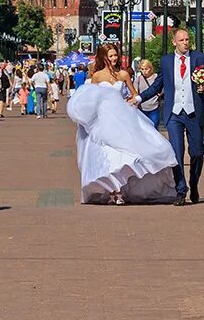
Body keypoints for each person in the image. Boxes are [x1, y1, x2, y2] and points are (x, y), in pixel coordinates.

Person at [68, 43, 177, 205]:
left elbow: (134, 94)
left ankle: (120, 189)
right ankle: (113, 191)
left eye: (115, 55)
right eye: (110, 56)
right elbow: (89, 99)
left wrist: (129, 102)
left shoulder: (123, 74)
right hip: (103, 121)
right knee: (109, 156)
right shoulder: (97, 76)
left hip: (122, 119)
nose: (113, 58)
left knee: (125, 154)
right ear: (103, 57)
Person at [137, 28, 204, 206]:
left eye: (187, 39)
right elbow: (158, 85)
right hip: (174, 114)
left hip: (194, 112)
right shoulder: (166, 61)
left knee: (197, 152)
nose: (185, 43)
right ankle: (181, 190)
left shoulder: (199, 58)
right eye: (181, 40)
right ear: (174, 42)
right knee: (176, 153)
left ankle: (194, 182)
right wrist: (138, 98)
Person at [134, 59, 161, 129]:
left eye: (146, 69)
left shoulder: (156, 77)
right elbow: (135, 92)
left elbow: (162, 88)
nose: (144, 71)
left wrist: (160, 94)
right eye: (142, 69)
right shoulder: (139, 79)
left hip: (154, 107)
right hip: (142, 108)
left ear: (150, 68)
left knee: (154, 128)